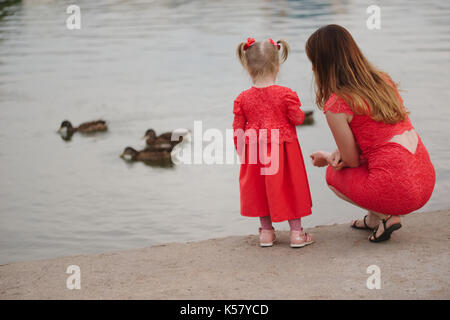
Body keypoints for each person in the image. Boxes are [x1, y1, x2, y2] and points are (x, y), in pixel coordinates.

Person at [307, 25, 435, 242]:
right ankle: (373, 220)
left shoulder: (337, 103)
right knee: (377, 158)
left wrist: (326, 156)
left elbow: (351, 162)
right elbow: (377, 136)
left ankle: (387, 216)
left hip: (401, 190)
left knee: (333, 175)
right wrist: (341, 151)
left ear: (321, 64)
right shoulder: (383, 81)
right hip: (424, 181)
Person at [233, 37, 313, 248]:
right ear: (277, 66)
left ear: (248, 69)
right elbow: (297, 119)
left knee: (260, 188)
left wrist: (241, 152)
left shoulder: (243, 98)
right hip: (284, 151)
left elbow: (238, 129)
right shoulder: (286, 94)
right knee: (290, 185)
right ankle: (296, 234)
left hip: (255, 151)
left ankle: (266, 233)